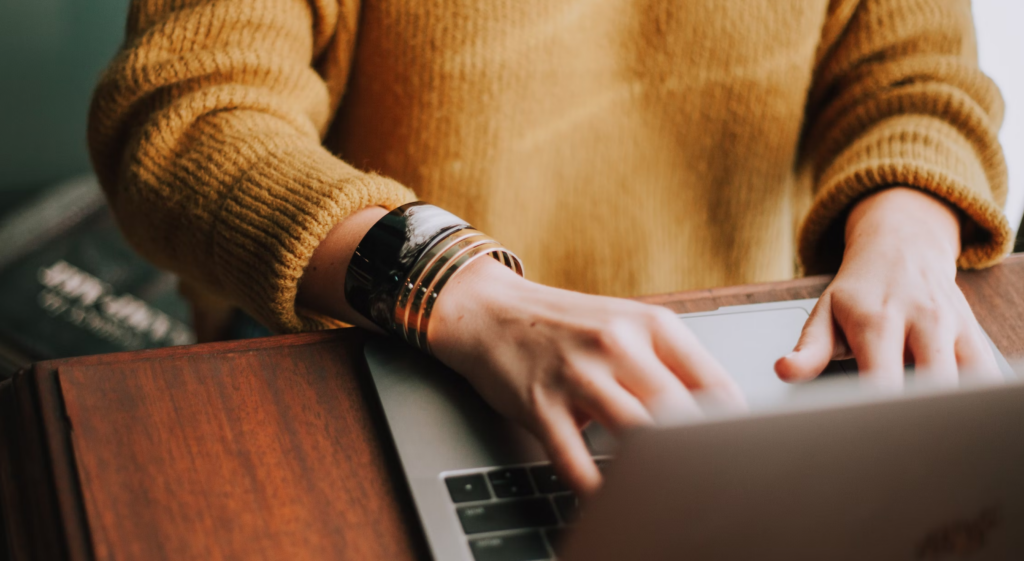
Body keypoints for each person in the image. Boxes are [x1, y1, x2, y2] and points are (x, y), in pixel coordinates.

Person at [88, 0, 1012, 494]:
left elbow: (917, 75)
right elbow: (188, 119)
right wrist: (460, 290)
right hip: (383, 358)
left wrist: (907, 232)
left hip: (740, 380)